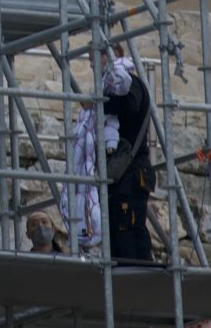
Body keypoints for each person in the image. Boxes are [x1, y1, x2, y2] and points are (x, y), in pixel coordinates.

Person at [60, 52, 155, 263]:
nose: (91, 63)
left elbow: (131, 104)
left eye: (98, 56)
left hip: (131, 172)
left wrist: (100, 103)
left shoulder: (130, 82)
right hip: (119, 173)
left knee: (127, 230)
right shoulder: (109, 88)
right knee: (116, 233)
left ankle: (141, 279)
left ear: (113, 56)